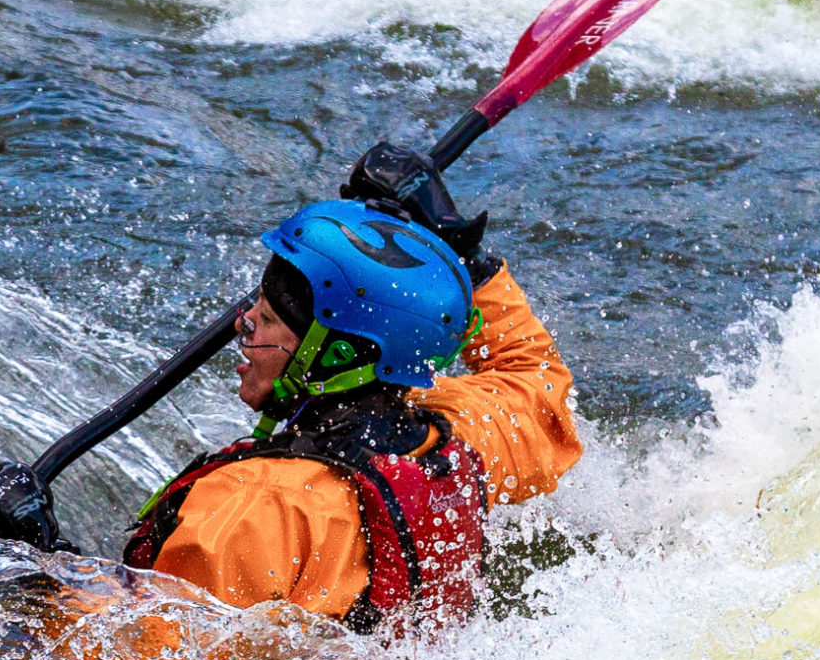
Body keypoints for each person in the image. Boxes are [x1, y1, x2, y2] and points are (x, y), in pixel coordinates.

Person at [119, 145, 581, 632]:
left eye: (269, 318)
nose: (243, 322)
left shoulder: (253, 504)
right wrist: (466, 254)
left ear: (336, 354)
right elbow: (534, 378)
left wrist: (41, 580)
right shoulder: (458, 437)